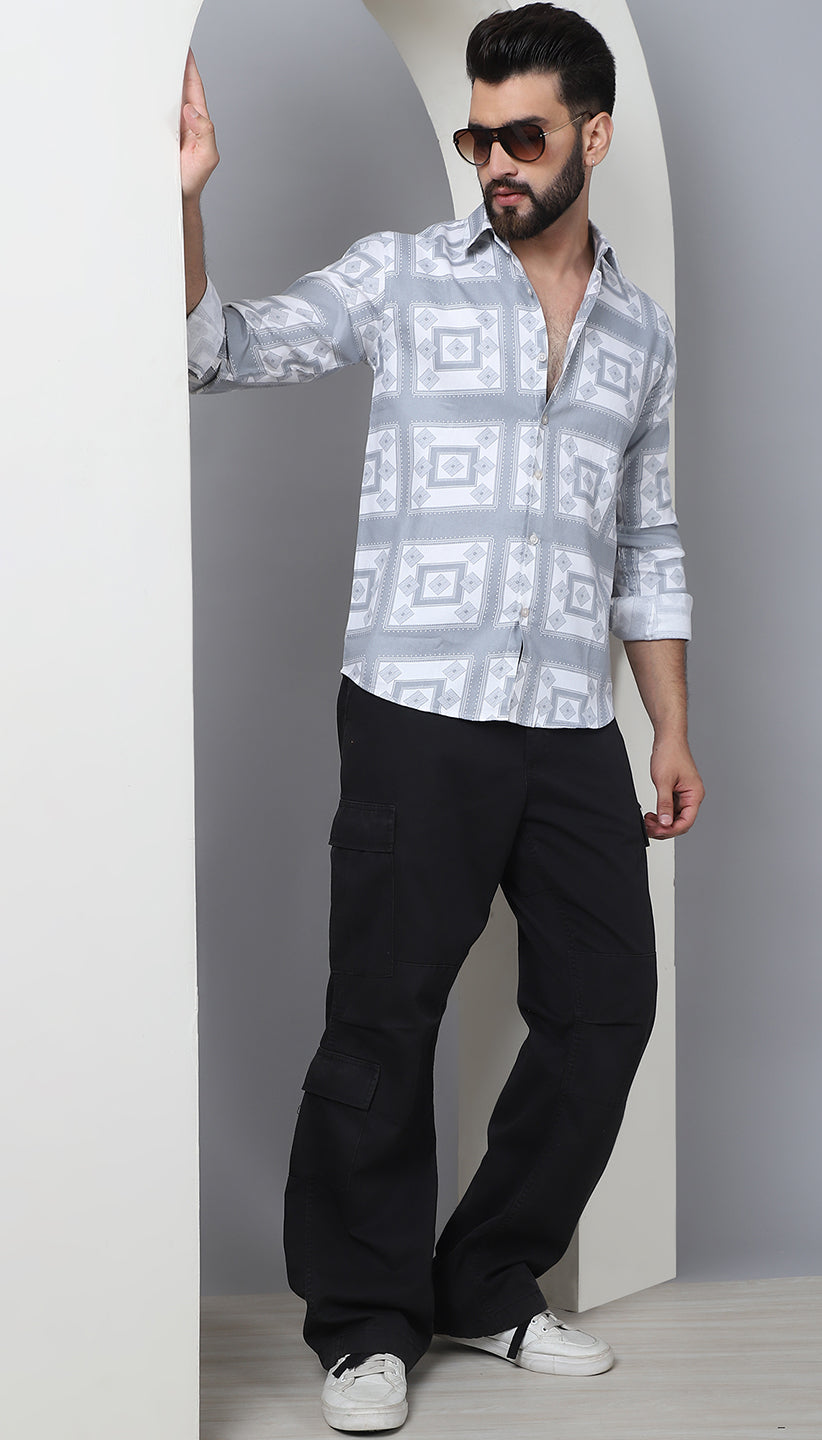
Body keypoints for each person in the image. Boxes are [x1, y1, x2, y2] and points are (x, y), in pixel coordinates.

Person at [181, 4, 703, 1431]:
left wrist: (667, 726)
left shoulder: (639, 334)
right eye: (479, 139)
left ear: (595, 136)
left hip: (568, 720)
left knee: (606, 1005)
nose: (496, 164)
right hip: (416, 709)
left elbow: (649, 539)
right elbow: (214, 349)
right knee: (381, 1017)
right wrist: (190, 203)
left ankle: (485, 1278)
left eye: (523, 137)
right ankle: (363, 1320)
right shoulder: (406, 277)